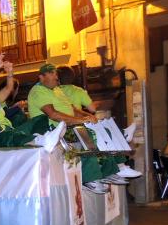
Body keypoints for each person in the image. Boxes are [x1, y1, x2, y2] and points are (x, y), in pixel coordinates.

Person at [28, 63, 134, 192]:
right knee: (87, 134)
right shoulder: (38, 91)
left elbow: (72, 109)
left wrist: (87, 116)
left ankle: (117, 167)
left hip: (67, 127)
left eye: (56, 73)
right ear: (41, 77)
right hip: (53, 131)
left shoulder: (57, 89)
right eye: (51, 73)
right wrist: (80, 120)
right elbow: (53, 115)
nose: (56, 76)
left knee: (103, 131)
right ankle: (90, 179)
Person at [0, 57, 65, 152]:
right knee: (9, 136)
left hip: (9, 130)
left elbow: (9, 88)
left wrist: (10, 72)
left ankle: (42, 140)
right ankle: (40, 141)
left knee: (40, 119)